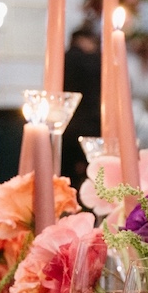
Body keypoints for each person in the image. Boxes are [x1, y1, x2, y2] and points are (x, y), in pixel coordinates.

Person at [60, 25, 102, 189]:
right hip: (91, 126)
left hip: (66, 127)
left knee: (66, 180)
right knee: (93, 179)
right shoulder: (94, 61)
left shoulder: (64, 59)